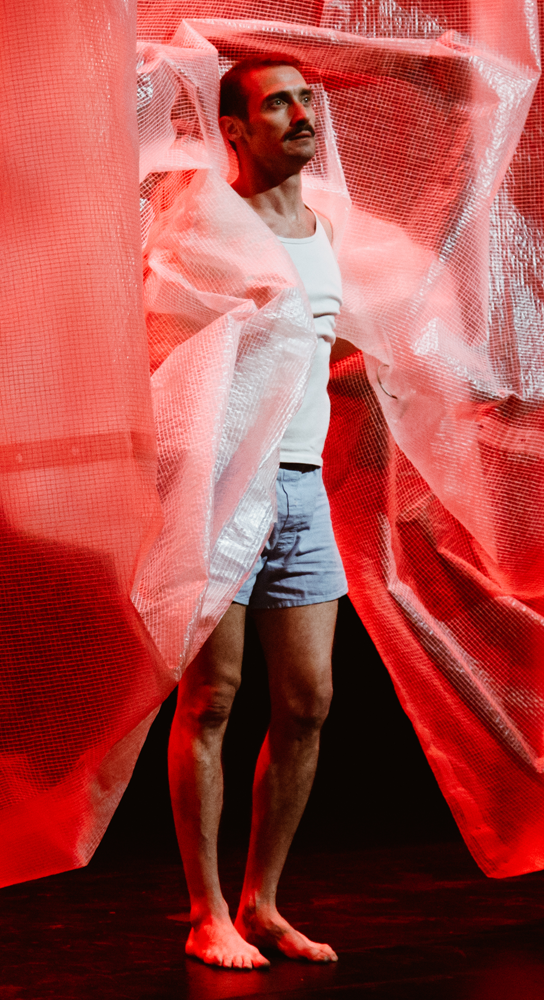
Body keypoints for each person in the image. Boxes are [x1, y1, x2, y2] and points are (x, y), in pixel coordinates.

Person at [167, 55, 359, 970]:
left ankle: (265, 900)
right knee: (213, 698)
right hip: (223, 482)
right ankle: (209, 914)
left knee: (310, 702)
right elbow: (168, 340)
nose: (301, 113)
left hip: (303, 487)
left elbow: (333, 339)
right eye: (277, 102)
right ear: (234, 131)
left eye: (305, 98)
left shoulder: (328, 228)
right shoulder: (213, 226)